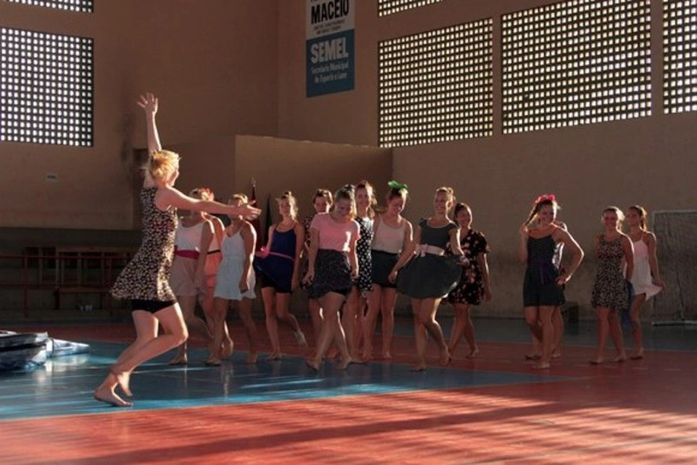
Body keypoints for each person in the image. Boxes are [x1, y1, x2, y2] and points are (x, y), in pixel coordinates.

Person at [93, 93, 260, 407]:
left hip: (144, 270)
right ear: (169, 172)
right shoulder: (166, 193)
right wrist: (234, 210)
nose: (179, 172)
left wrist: (150, 117)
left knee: (146, 337)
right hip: (152, 273)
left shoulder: (149, 186)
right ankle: (121, 370)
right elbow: (199, 203)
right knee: (179, 334)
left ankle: (107, 385)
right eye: (177, 169)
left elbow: (155, 152)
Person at [393, 187, 463, 371]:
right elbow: (411, 247)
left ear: (450, 204)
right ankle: (420, 360)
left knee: (426, 317)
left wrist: (461, 257)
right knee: (418, 319)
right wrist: (396, 268)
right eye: (437, 200)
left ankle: (442, 346)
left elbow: (455, 246)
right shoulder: (423, 223)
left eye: (443, 201)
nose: (439, 204)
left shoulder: (452, 227)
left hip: (436, 272)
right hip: (419, 269)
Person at [520, 194, 583, 369]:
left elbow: (578, 252)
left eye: (552, 213)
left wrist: (567, 275)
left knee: (546, 317)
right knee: (531, 319)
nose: (548, 216)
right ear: (538, 214)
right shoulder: (530, 233)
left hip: (549, 278)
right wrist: (523, 238)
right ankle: (547, 344)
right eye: (545, 213)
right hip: (531, 278)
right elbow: (523, 258)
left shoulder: (558, 232)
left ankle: (545, 359)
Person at [304, 185, 360, 370]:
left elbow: (352, 250)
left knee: (330, 314)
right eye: (341, 207)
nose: (344, 211)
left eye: (348, 208)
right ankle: (346, 355)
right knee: (332, 315)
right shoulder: (320, 219)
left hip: (340, 268)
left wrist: (355, 267)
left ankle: (317, 358)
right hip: (321, 265)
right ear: (335, 204)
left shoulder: (353, 225)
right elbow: (313, 246)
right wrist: (311, 269)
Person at [362, 181, 412, 361]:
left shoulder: (406, 225)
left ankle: (386, 348)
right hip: (376, 262)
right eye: (395, 204)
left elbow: (408, 250)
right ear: (388, 202)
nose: (397, 208)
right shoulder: (378, 219)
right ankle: (367, 346)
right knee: (373, 308)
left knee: (388, 310)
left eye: (401, 205)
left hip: (393, 265)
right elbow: (367, 244)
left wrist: (397, 269)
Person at [254, 191, 307, 359]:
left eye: (287, 205)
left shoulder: (298, 228)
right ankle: (276, 349)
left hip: (285, 270)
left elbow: (298, 254)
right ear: (278, 208)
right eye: (282, 205)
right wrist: (253, 253)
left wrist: (295, 276)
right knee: (269, 311)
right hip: (270, 267)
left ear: (293, 207)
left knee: (281, 313)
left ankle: (296, 329)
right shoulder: (273, 228)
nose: (284, 208)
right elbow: (267, 250)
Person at [167, 187, 217, 365]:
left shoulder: (207, 225)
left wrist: (198, 275)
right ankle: (181, 353)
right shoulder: (180, 221)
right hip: (176, 266)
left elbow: (203, 253)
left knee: (188, 316)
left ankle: (210, 339)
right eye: (192, 199)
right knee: (177, 316)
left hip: (192, 266)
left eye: (199, 200)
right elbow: (172, 246)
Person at [208, 194, 259, 366]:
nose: (233, 210)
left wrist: (244, 278)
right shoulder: (226, 229)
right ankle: (215, 354)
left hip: (241, 270)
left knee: (245, 315)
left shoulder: (247, 229)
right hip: (225, 271)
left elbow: (250, 255)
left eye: (237, 206)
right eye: (231, 206)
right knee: (218, 314)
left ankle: (254, 350)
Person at [447, 203, 491, 359]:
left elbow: (482, 262)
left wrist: (487, 285)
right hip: (454, 278)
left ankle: (449, 350)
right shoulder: (451, 235)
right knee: (461, 314)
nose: (466, 218)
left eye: (468, 215)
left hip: (470, 279)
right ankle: (473, 347)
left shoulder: (477, 237)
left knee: (462, 311)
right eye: (462, 215)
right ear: (456, 217)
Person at [590, 206, 634, 365]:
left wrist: (626, 282)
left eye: (613, 218)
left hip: (616, 280)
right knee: (611, 318)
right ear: (603, 220)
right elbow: (598, 257)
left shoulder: (624, 240)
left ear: (619, 220)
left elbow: (631, 263)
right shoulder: (598, 239)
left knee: (604, 316)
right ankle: (621, 352)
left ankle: (600, 354)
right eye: (607, 218)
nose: (610, 221)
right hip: (602, 279)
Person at [626, 205, 665, 360]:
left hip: (642, 278)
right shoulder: (625, 237)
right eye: (628, 216)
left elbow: (652, 258)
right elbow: (623, 260)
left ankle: (639, 347)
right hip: (629, 277)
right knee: (626, 314)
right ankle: (632, 347)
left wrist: (657, 277)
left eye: (634, 215)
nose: (631, 219)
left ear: (641, 217)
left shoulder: (648, 237)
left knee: (633, 312)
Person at [343, 181, 375, 359]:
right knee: (350, 308)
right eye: (359, 196)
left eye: (366, 196)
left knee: (360, 309)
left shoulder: (371, 220)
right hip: (351, 264)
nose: (363, 199)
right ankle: (348, 349)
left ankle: (355, 347)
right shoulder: (351, 220)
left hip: (366, 265)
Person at [301, 189, 333, 346]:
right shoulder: (308, 221)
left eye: (324, 204)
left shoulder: (335, 221)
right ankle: (320, 342)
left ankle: (331, 342)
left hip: (330, 264)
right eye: (318, 204)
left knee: (330, 307)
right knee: (313, 306)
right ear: (314, 205)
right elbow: (303, 241)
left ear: (330, 204)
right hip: (313, 264)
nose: (321, 207)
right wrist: (310, 256)